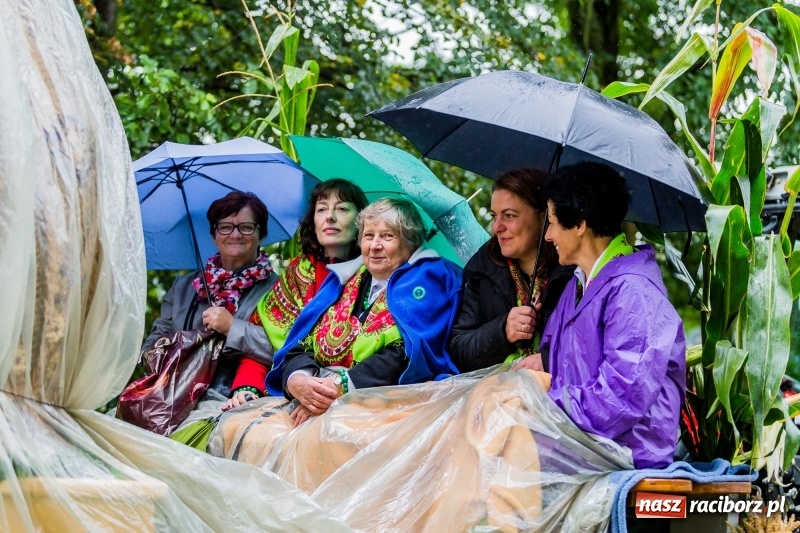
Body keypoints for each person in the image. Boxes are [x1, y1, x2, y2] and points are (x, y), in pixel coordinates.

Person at [210, 197, 463, 463]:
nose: (374, 246)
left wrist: (335, 389)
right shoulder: (344, 280)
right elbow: (300, 341)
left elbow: (408, 352)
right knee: (239, 432)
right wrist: (298, 380)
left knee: (326, 445)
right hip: (319, 391)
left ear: (409, 241)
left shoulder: (430, 279)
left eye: (387, 236)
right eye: (368, 236)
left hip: (384, 399)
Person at [516, 161, 686, 469]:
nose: (549, 236)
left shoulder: (634, 291)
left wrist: (542, 401)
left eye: (552, 223)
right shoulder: (578, 284)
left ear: (580, 224)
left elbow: (621, 398)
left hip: (624, 451)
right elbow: (562, 364)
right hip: (579, 438)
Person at [223, 179, 368, 410]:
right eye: (321, 209)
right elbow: (267, 345)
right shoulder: (295, 276)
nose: (329, 217)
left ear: (362, 220)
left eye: (341, 208)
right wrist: (247, 387)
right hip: (291, 387)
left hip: (354, 394)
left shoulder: (375, 274)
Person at [141, 191, 277, 411]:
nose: (235, 234)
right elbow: (152, 343)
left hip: (237, 401)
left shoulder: (278, 290)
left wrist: (233, 327)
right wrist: (170, 353)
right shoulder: (184, 287)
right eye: (225, 227)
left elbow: (282, 349)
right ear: (214, 235)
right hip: (171, 397)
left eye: (246, 227)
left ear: (261, 234)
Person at [449, 168, 574, 372]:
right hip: (494, 391)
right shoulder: (483, 268)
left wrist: (548, 359)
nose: (496, 227)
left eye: (509, 215)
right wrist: (503, 331)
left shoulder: (573, 271)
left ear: (545, 217)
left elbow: (589, 346)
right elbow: (459, 350)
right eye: (494, 216)